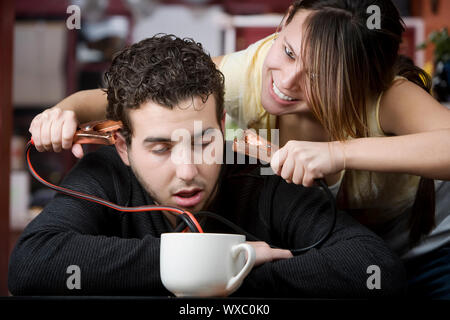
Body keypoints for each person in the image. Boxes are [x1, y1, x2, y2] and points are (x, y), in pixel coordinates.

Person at [28, 0, 450, 298]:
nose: (285, 81)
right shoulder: (247, 73)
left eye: (318, 75)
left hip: (427, 245)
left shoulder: (385, 95)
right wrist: (62, 111)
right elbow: (139, 97)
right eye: (286, 51)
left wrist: (338, 153)